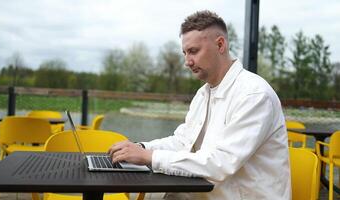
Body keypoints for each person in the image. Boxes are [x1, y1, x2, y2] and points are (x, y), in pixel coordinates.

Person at [109, 10, 291, 199]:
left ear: (220, 45)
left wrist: (150, 157)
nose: (187, 61)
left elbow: (221, 162)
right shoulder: (204, 93)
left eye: (194, 51)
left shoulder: (253, 95)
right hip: (207, 192)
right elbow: (182, 142)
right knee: (129, 193)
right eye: (185, 53)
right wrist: (141, 148)